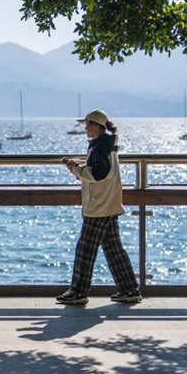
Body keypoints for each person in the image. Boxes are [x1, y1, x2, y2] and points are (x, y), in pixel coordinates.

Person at [58, 109, 142, 305]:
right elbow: (102, 170)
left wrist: (75, 169)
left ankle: (78, 292)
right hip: (109, 203)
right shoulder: (106, 145)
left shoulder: (100, 147)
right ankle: (130, 289)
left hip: (99, 206)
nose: (85, 128)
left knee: (85, 250)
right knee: (114, 250)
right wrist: (81, 165)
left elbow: (98, 174)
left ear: (95, 125)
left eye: (87, 124)